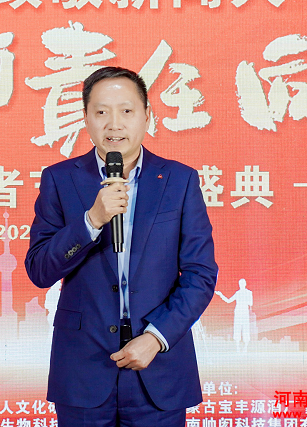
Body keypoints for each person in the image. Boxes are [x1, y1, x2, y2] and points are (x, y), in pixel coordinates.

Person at [25, 66, 218, 427]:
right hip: (83, 369)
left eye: (126, 111)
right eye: (101, 112)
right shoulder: (59, 179)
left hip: (157, 367)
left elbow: (200, 274)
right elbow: (39, 270)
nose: (114, 124)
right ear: (86, 118)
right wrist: (91, 221)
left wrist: (156, 338)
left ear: (147, 115)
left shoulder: (179, 180)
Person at [216, 278, 253, 352]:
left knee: (246, 329)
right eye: (240, 284)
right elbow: (228, 300)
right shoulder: (237, 293)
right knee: (237, 329)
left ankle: (245, 347)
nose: (241, 285)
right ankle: (237, 347)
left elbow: (251, 303)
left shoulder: (249, 292)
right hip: (238, 313)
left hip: (244, 313)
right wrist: (221, 295)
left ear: (245, 284)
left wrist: (244, 300)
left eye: (242, 283)